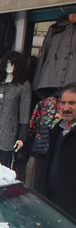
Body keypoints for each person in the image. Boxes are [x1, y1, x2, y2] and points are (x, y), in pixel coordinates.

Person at [41, 82, 76, 219]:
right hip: (51, 201)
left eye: (72, 103)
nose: (65, 108)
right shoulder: (57, 129)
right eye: (62, 103)